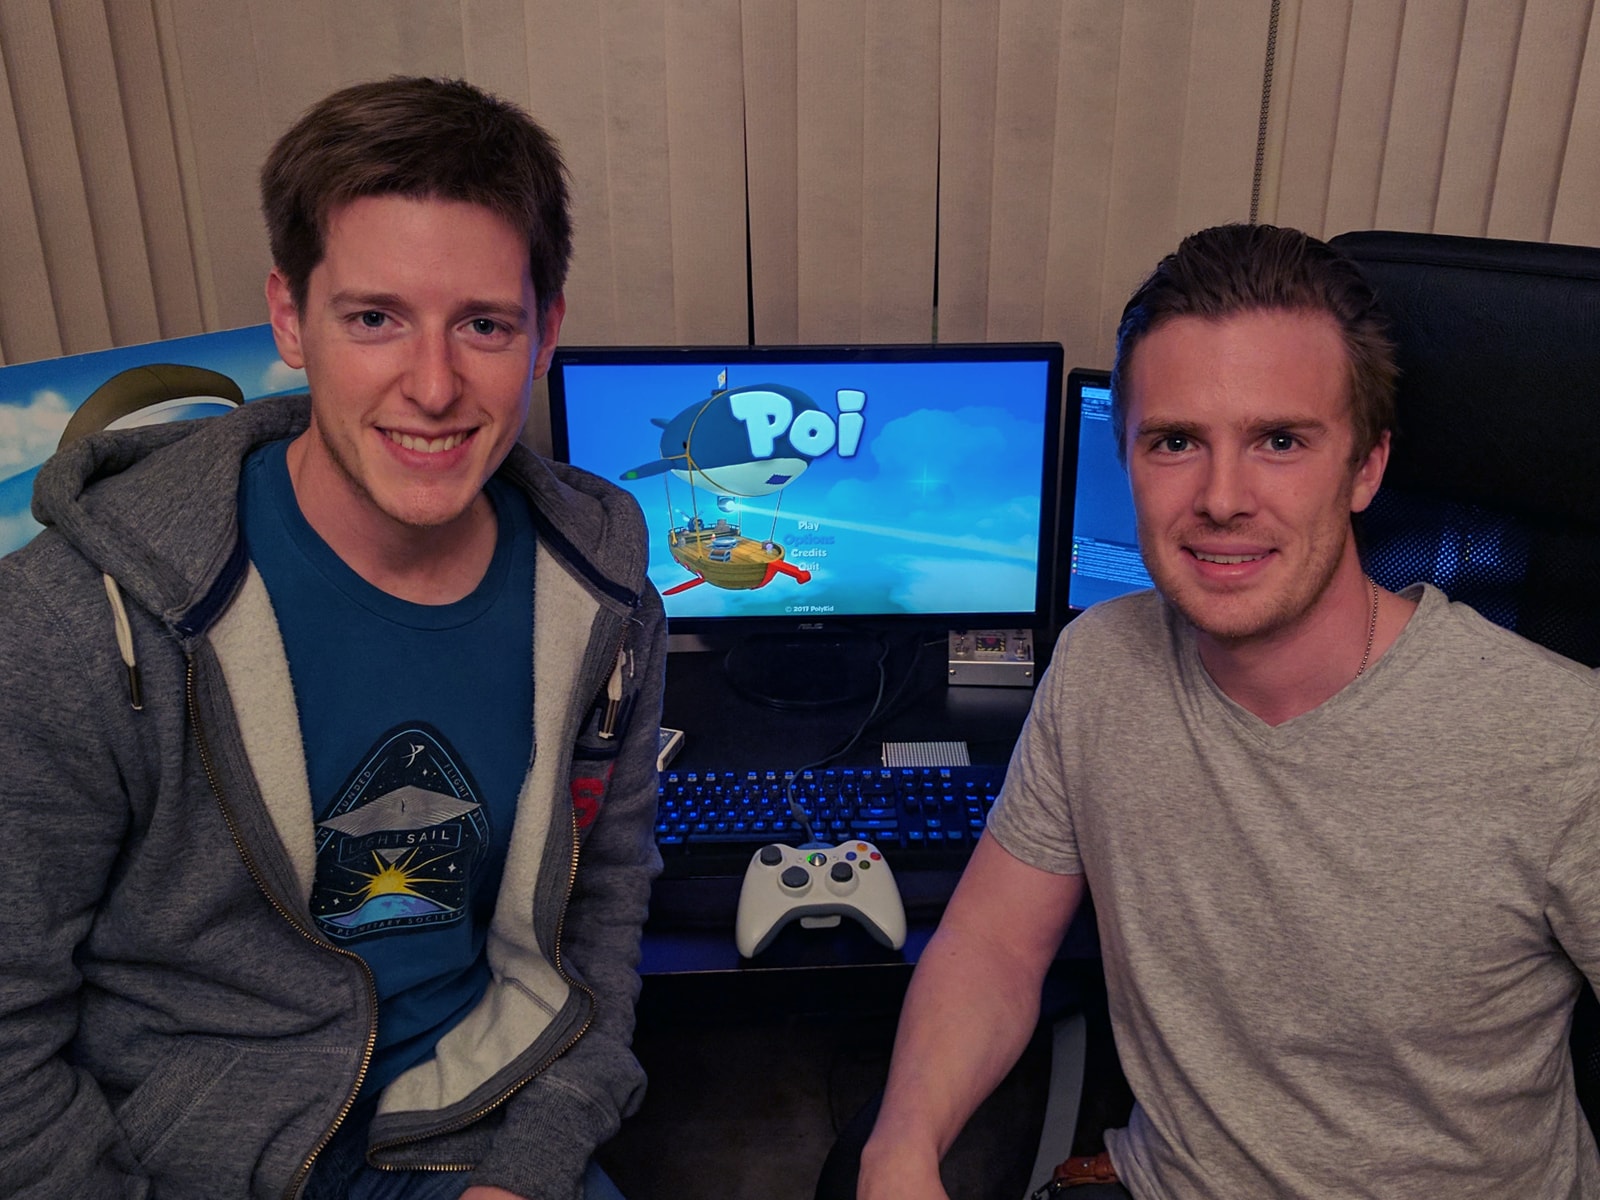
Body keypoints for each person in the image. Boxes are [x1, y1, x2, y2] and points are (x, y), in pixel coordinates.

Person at [0, 77, 666, 1200]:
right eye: (374, 318)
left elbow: (601, 921)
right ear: (287, 319)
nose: (434, 386)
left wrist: (534, 1163)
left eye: (485, 326)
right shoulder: (70, 621)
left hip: (479, 1135)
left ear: (544, 334)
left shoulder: (604, 601)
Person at [852, 224, 1600, 1198]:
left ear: (1366, 467)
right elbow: (992, 945)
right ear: (1125, 456)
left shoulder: (1560, 743)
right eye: (1175, 442)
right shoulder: (1097, 667)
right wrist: (898, 1148)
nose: (1220, 498)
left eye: (1279, 441)